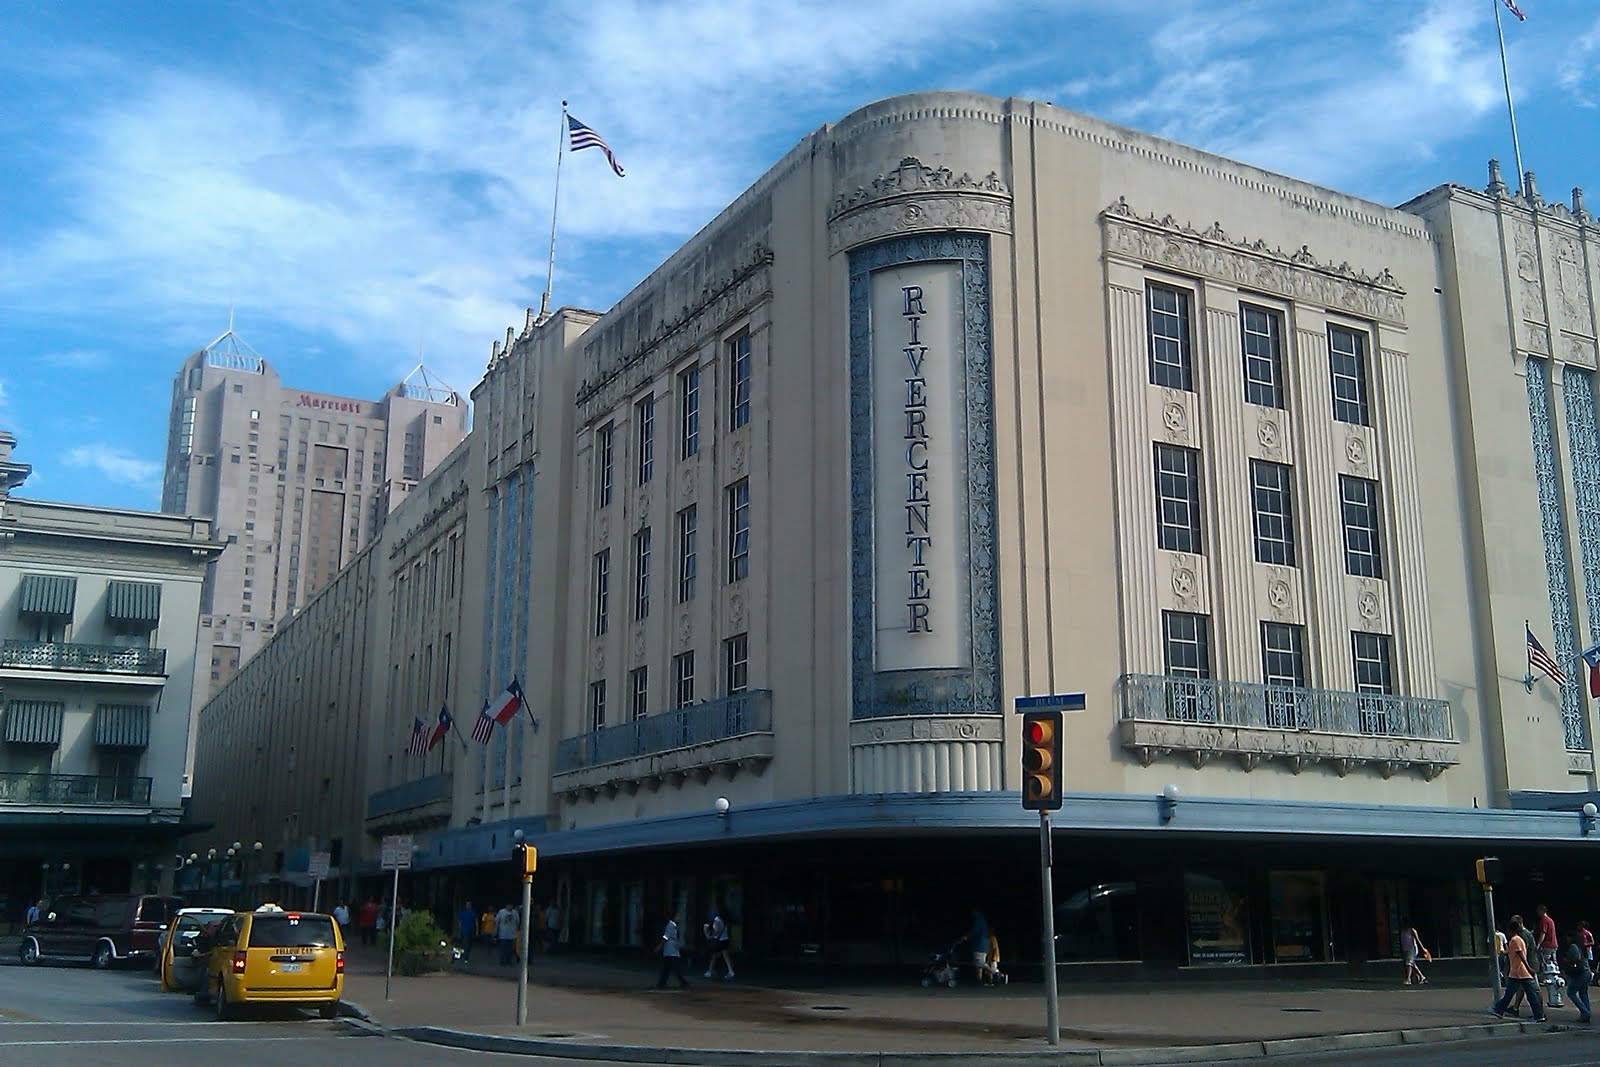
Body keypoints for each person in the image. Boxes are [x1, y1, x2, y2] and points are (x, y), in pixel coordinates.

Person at [1492, 916, 1548, 1022]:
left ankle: (1499, 1009)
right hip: (1520, 971)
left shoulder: (1516, 940)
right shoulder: (1519, 939)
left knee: (1515, 993)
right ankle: (1538, 1015)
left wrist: (1529, 968)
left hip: (1519, 972)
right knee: (1528, 994)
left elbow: (1521, 955)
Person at [1562, 928, 1593, 1023]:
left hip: (1581, 972)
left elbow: (1576, 957)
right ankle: (1586, 1014)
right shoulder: (1581, 946)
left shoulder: (1573, 946)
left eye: (1568, 937)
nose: (1567, 939)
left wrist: (1568, 960)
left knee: (1571, 992)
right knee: (1583, 992)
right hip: (1587, 971)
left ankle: (1585, 1012)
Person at [655, 909, 690, 989]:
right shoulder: (670, 925)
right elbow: (665, 937)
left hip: (672, 950)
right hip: (670, 951)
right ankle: (683, 982)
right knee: (675, 968)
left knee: (667, 968)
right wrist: (659, 946)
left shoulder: (673, 926)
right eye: (677, 916)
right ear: (674, 917)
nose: (679, 918)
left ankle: (661, 983)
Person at [703, 906, 734, 981]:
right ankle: (730, 971)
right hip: (725, 939)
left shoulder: (717, 920)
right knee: (725, 955)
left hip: (719, 941)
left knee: (714, 955)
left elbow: (716, 931)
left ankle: (710, 971)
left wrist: (709, 936)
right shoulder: (725, 919)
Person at [963, 907, 990, 985]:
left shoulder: (979, 920)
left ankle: (997, 974)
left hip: (979, 945)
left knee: (980, 963)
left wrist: (967, 936)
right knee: (978, 965)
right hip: (982, 945)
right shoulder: (982, 920)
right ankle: (979, 981)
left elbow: (975, 931)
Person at [1400, 920, 1428, 986]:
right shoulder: (1402, 932)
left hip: (1412, 949)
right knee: (1412, 964)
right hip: (1405, 949)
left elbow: (1418, 940)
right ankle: (1422, 977)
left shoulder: (1412, 930)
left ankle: (1408, 979)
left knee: (1409, 964)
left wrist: (1423, 948)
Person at [1536, 904, 1559, 977]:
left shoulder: (1544, 920)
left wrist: (1538, 944)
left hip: (1546, 945)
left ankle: (1546, 977)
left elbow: (1543, 933)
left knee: (1545, 962)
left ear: (1542, 911)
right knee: (1553, 961)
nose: (1537, 912)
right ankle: (1556, 975)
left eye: (1538, 911)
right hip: (1553, 944)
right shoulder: (1550, 920)